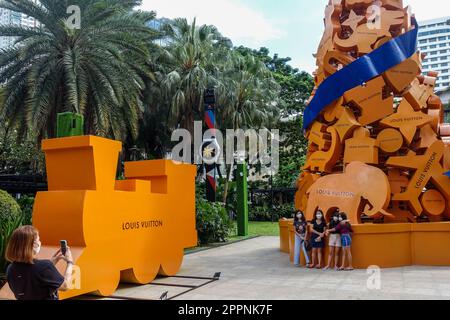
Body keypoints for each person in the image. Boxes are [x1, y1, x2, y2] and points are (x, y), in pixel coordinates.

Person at [5, 225, 74, 300]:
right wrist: (70, 262)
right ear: (34, 244)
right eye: (38, 240)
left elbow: (33, 274)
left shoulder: (10, 269)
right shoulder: (44, 267)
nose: (39, 242)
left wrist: (51, 263)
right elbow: (65, 286)